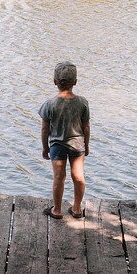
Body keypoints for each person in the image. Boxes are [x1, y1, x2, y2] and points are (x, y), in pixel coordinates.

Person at [39, 61, 90, 220]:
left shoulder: (49, 104)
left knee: (59, 178)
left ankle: (57, 210)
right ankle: (76, 209)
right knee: (79, 176)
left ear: (54, 82)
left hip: (57, 146)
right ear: (75, 82)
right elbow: (86, 127)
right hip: (77, 145)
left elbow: (44, 129)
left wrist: (45, 147)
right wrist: (86, 145)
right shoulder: (82, 102)